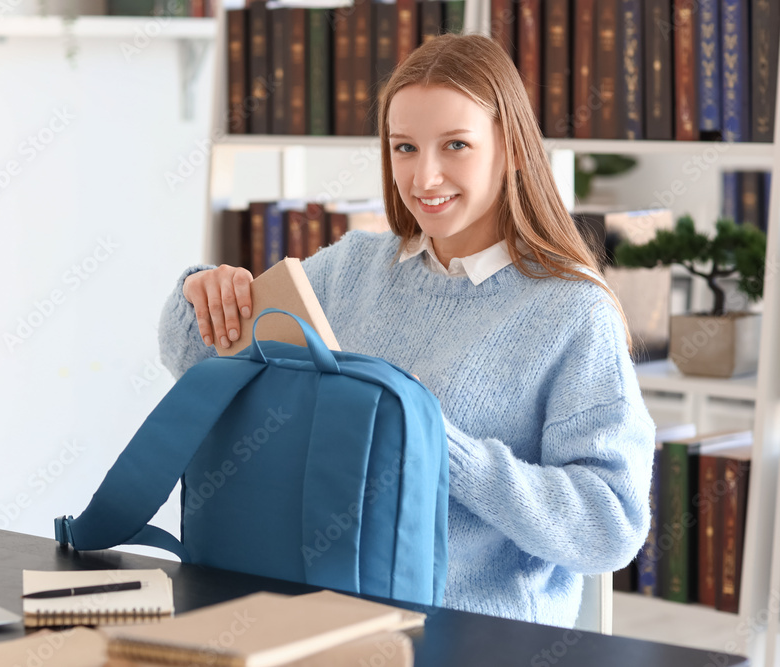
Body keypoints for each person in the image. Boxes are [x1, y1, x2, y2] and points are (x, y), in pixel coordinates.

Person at [157, 33, 655, 628]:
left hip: (474, 636)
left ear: (514, 149)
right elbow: (191, 356)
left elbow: (610, 527)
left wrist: (440, 447)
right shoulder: (353, 267)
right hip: (318, 611)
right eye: (405, 148)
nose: (425, 176)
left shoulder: (571, 311)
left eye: (456, 146)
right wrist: (203, 291)